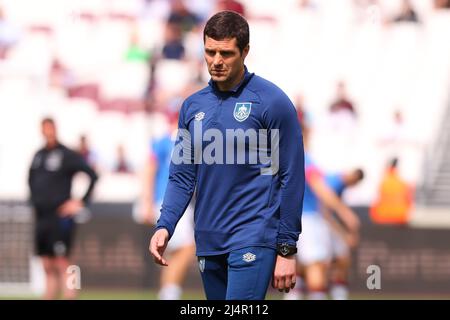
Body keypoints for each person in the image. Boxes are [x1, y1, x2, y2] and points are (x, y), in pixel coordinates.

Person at [149, 11, 305, 300]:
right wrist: (165, 225)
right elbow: (182, 177)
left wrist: (286, 248)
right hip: (208, 238)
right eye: (210, 52)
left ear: (245, 51)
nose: (216, 60)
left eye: (226, 53)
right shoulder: (192, 107)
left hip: (253, 236)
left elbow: (291, 177)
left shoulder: (272, 103)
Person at [285, 122, 360, 300]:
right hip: (308, 219)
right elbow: (320, 188)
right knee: (316, 266)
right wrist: (345, 213)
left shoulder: (283, 159)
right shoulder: (303, 158)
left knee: (299, 269)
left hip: (288, 219)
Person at [28, 118, 98, 299]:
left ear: (55, 129)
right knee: (47, 265)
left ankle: (71, 295)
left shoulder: (66, 154)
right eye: (45, 129)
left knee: (64, 262)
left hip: (60, 218)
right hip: (42, 217)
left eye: (50, 128)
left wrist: (80, 201)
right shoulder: (38, 155)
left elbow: (92, 175)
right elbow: (31, 181)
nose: (48, 132)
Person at [138, 112, 195, 300]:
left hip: (173, 201)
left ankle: (168, 293)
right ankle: (170, 293)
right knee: (186, 248)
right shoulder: (166, 142)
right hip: (169, 201)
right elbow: (149, 169)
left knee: (175, 251)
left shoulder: (177, 142)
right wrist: (146, 201)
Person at [323, 169, 364, 300]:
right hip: (316, 224)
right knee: (320, 265)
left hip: (326, 226)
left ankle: (339, 295)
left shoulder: (341, 186)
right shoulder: (334, 182)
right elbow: (324, 212)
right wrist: (344, 233)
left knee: (343, 260)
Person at [370, 158, 413, 225]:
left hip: (382, 217)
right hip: (400, 216)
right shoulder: (403, 183)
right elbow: (409, 202)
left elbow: (375, 202)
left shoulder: (383, 182)